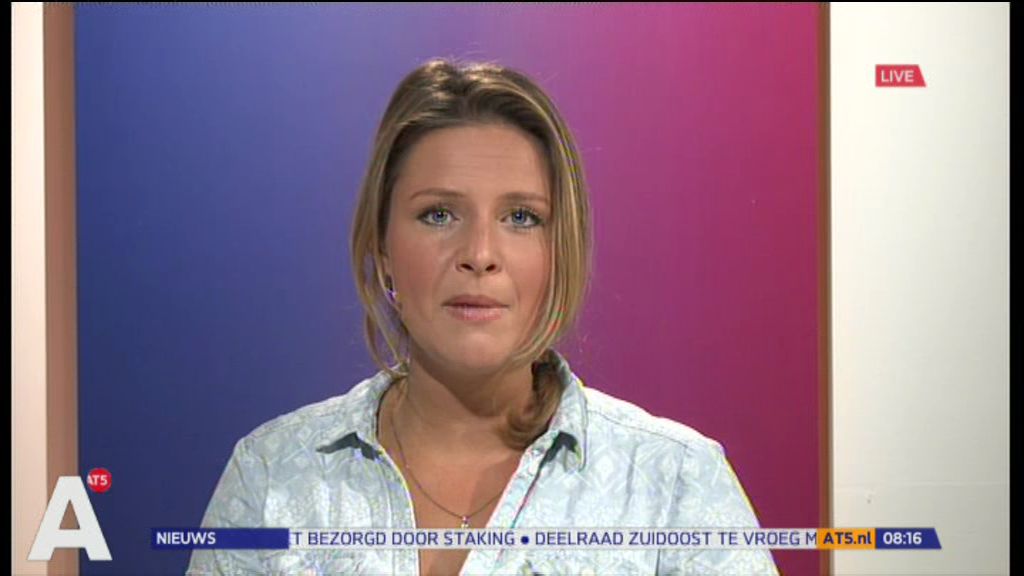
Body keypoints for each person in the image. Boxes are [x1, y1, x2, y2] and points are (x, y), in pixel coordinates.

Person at [187, 57, 779, 575]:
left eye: (521, 218)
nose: (479, 254)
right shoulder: (272, 473)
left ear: (560, 250)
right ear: (383, 249)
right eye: (439, 215)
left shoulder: (674, 483)